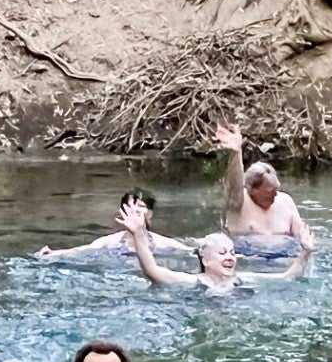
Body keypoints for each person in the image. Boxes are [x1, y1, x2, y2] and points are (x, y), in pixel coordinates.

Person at [117, 200, 310, 295]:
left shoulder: (243, 280)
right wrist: (139, 234)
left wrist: (306, 251)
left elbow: (288, 277)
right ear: (206, 260)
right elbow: (153, 271)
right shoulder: (193, 282)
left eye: (233, 253)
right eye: (222, 252)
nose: (230, 257)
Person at [213, 123, 315, 251]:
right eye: (270, 191)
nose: (275, 195)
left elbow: (302, 234)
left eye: (276, 189)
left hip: (283, 258)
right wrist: (236, 152)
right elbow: (234, 185)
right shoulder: (239, 202)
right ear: (253, 189)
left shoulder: (285, 201)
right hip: (249, 259)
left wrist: (306, 243)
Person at [35, 190, 192, 258]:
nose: (135, 212)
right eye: (131, 207)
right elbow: (83, 250)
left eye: (142, 207)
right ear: (122, 211)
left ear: (150, 213)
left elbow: (193, 252)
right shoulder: (109, 243)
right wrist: (55, 254)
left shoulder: (164, 244)